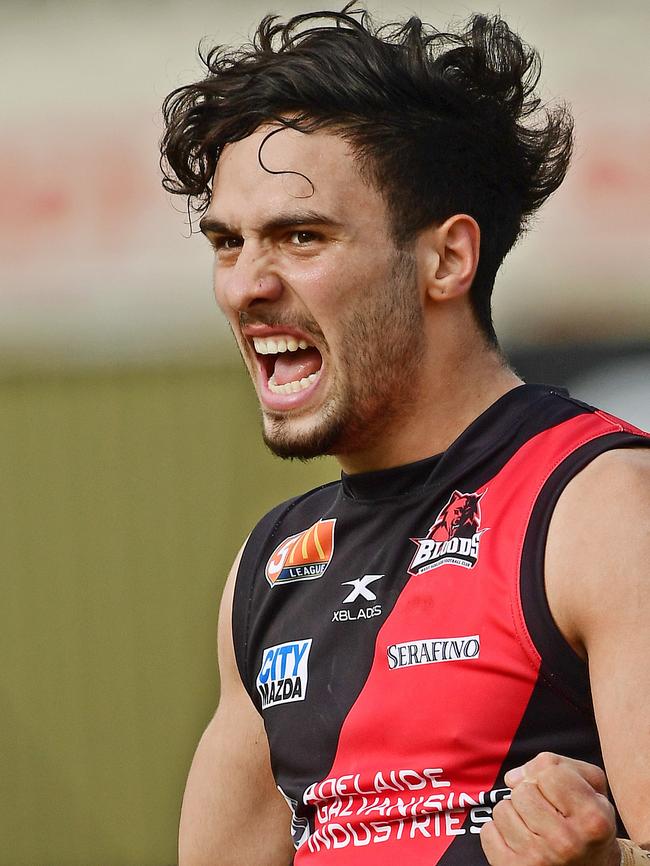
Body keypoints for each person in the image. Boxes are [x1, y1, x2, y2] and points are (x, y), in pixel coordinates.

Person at [160, 8, 650, 866]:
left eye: (299, 236)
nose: (245, 286)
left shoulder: (602, 508)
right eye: (227, 244)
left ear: (447, 260)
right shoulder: (270, 564)